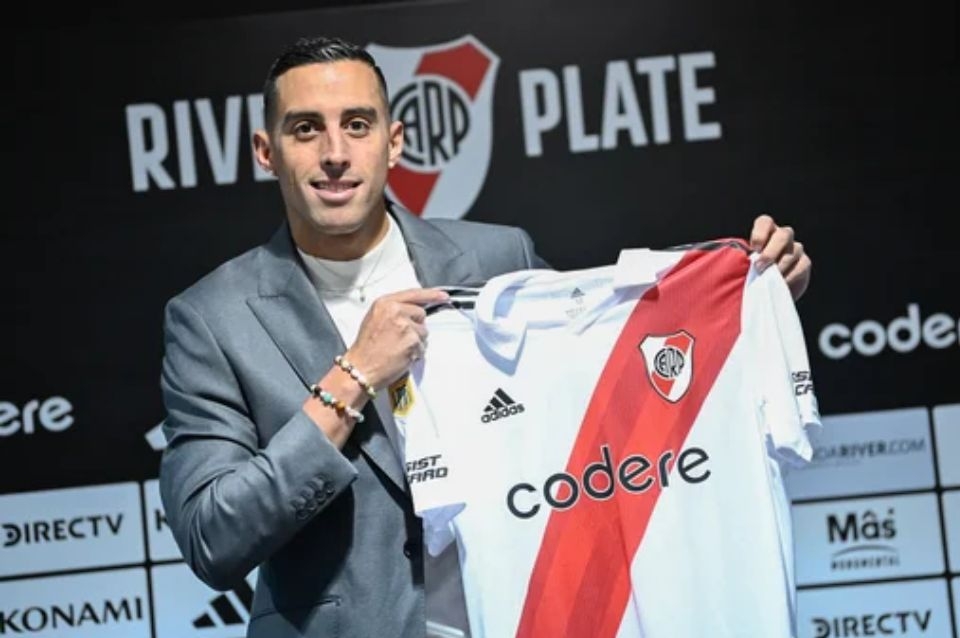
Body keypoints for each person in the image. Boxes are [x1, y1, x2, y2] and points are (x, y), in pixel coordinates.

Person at [158, 35, 812, 638]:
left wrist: (747, 300)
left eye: (357, 124)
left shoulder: (498, 257)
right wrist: (352, 379)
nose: (335, 153)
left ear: (394, 141)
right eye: (306, 129)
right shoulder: (212, 319)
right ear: (266, 151)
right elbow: (214, 539)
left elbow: (607, 393)